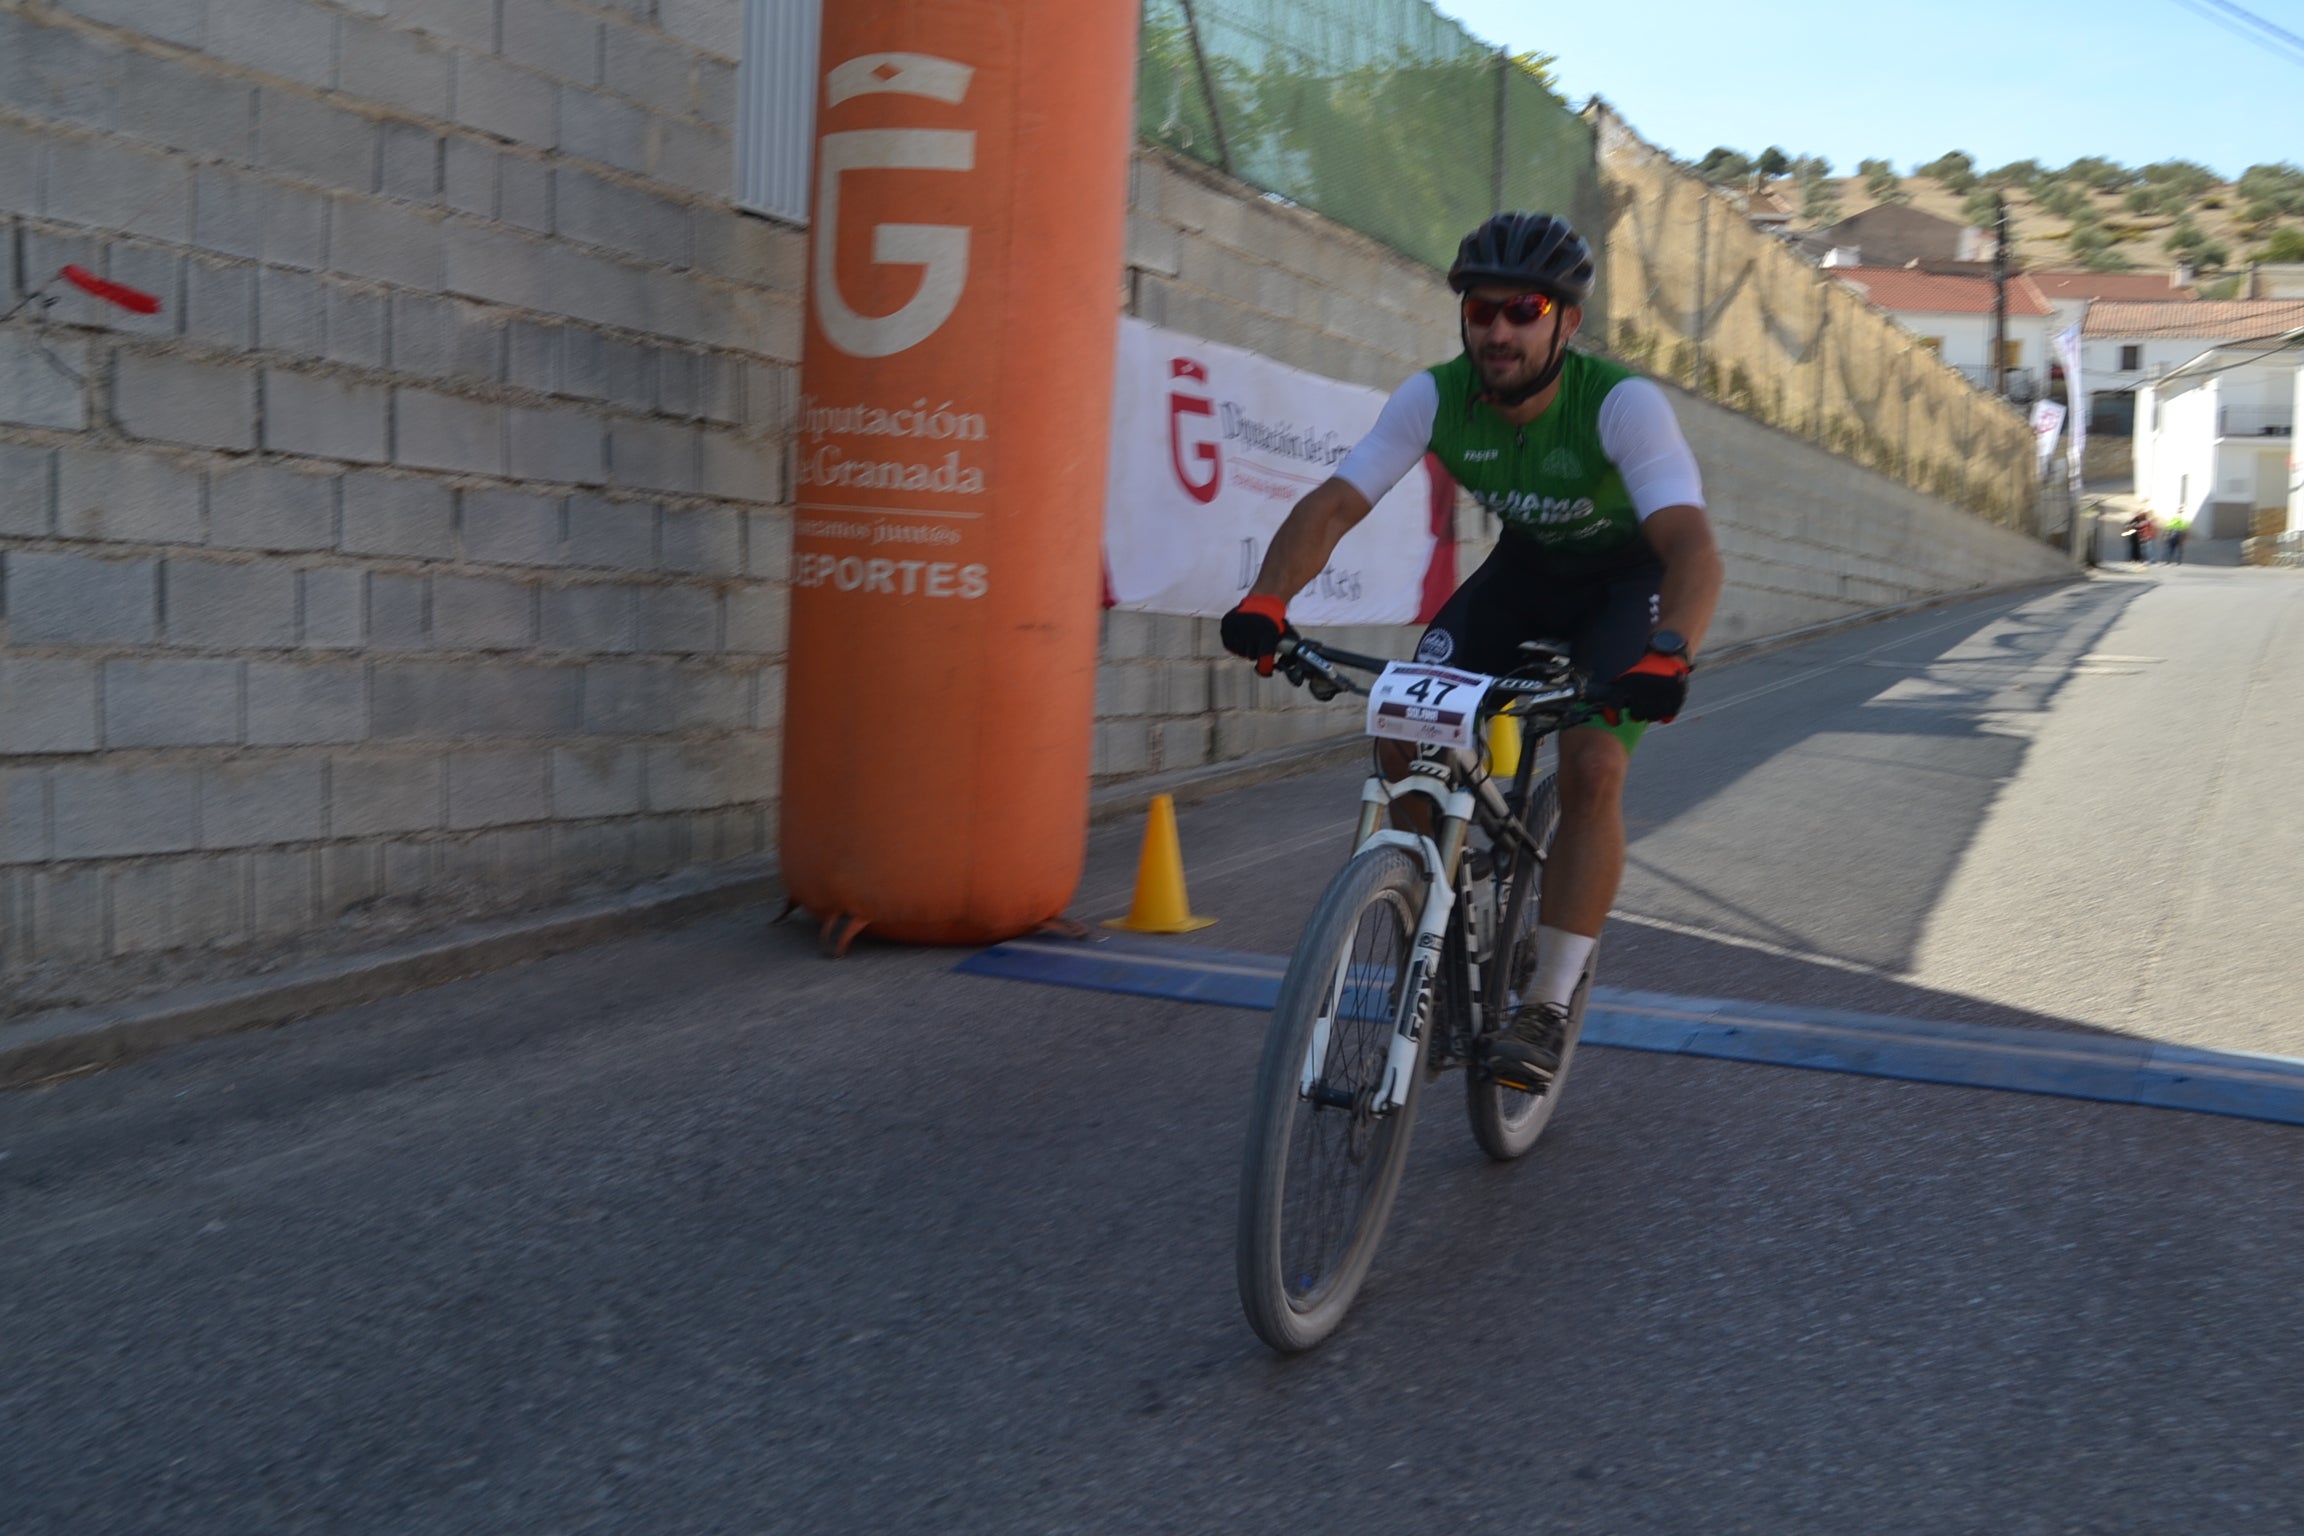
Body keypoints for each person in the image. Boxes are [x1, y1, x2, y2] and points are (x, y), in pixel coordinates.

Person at [1218, 212, 1723, 1091]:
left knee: (1593, 767)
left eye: (1522, 310)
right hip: (1525, 572)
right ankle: (1432, 893)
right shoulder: (1436, 396)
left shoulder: (1619, 403)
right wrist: (1269, 599)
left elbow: (1688, 543)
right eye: (1481, 309)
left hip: (1624, 584)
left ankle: (1547, 1002)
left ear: (1566, 321)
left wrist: (1670, 650)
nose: (1498, 329)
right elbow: (1337, 503)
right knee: (1400, 728)